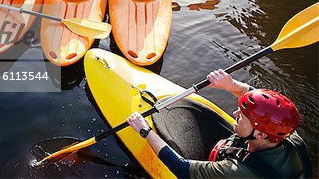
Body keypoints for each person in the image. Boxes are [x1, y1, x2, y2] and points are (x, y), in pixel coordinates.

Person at [126, 69, 312, 178]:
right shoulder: (286, 134)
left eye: (242, 116)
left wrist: (145, 130)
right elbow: (261, 99)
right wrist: (231, 85)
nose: (235, 113)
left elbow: (181, 168)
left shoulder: (236, 171)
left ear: (261, 134)